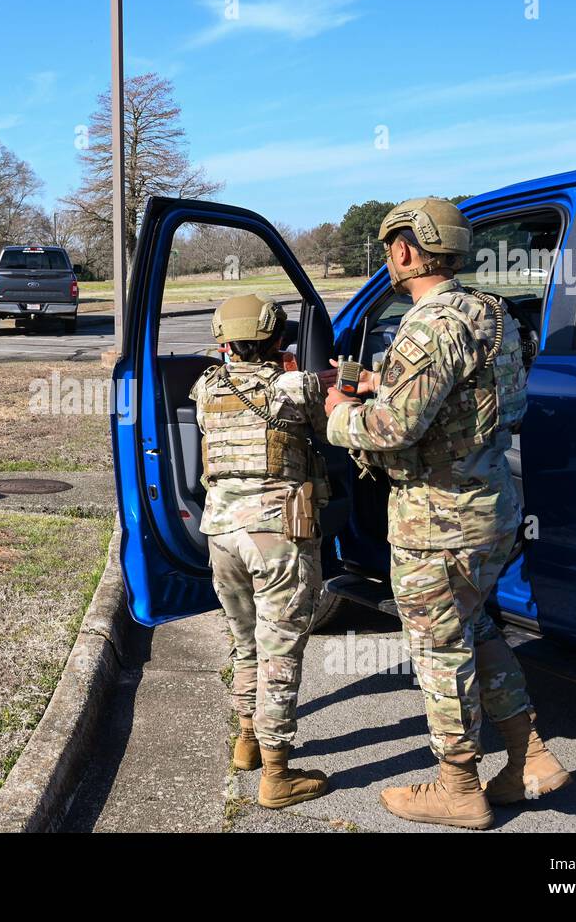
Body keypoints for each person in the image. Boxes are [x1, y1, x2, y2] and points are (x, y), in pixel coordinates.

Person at [323, 197, 570, 830]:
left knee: (439, 653)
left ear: (405, 249)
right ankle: (531, 759)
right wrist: (386, 382)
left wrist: (339, 413)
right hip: (492, 509)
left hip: (437, 521)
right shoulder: (491, 313)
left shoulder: (427, 324)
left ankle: (460, 791)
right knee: (479, 631)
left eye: (389, 249)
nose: (389, 260)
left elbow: (390, 429)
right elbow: (493, 404)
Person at [189, 293, 331, 808]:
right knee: (280, 653)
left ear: (223, 340)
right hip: (279, 535)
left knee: (245, 643)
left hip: (221, 534)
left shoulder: (205, 388)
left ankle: (246, 742)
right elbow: (331, 428)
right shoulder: (294, 387)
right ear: (278, 339)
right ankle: (277, 774)